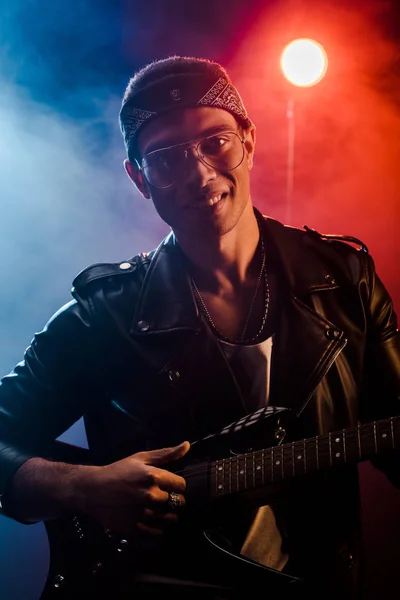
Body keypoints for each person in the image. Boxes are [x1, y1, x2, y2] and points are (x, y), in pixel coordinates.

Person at [0, 55, 399, 600]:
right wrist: (83, 487)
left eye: (216, 142)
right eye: (166, 158)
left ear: (249, 140)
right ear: (138, 177)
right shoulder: (102, 315)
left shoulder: (344, 278)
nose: (200, 173)